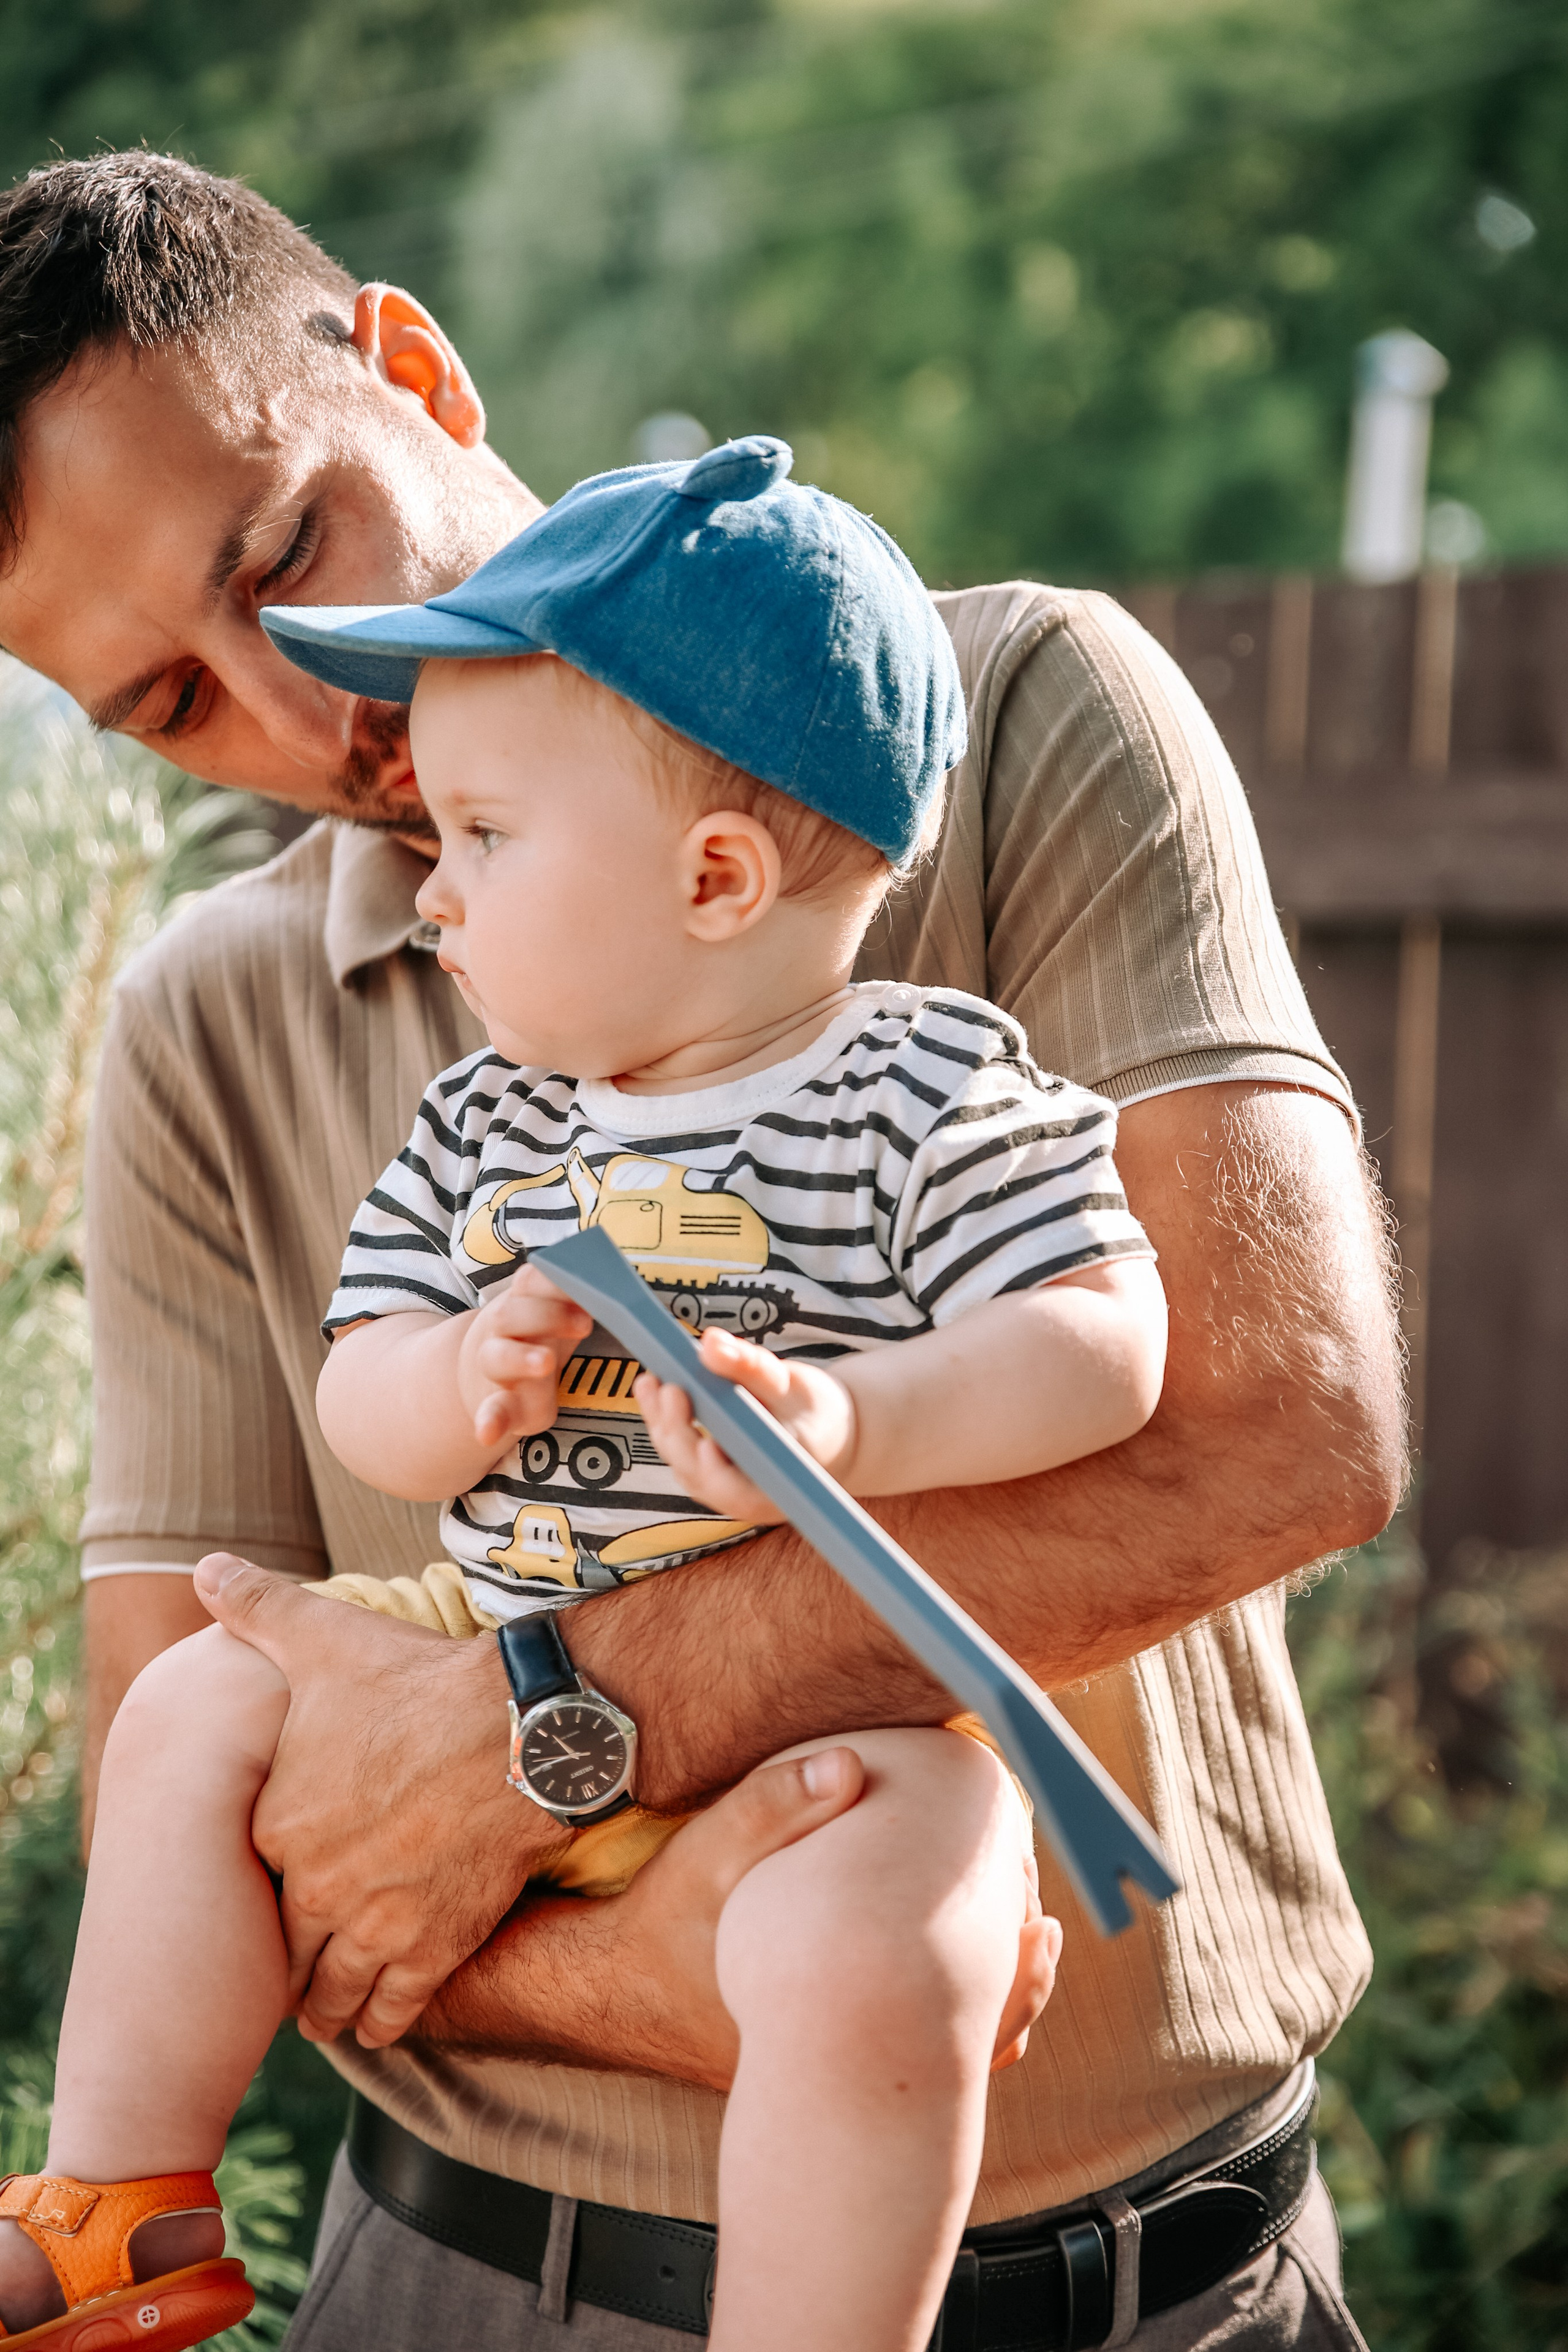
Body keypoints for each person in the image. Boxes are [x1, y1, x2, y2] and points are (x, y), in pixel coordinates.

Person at [0, 153, 1402, 2350]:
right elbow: (190, 1768)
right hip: (466, 2279)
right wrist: (633, 1970)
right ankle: (115, 2229)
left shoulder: (1016, 722)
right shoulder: (213, 1016)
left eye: (283, 555)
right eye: (170, 709)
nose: (299, 715)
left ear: (415, 368)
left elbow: (1283, 1437)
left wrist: (555, 1727)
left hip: (1168, 2292)